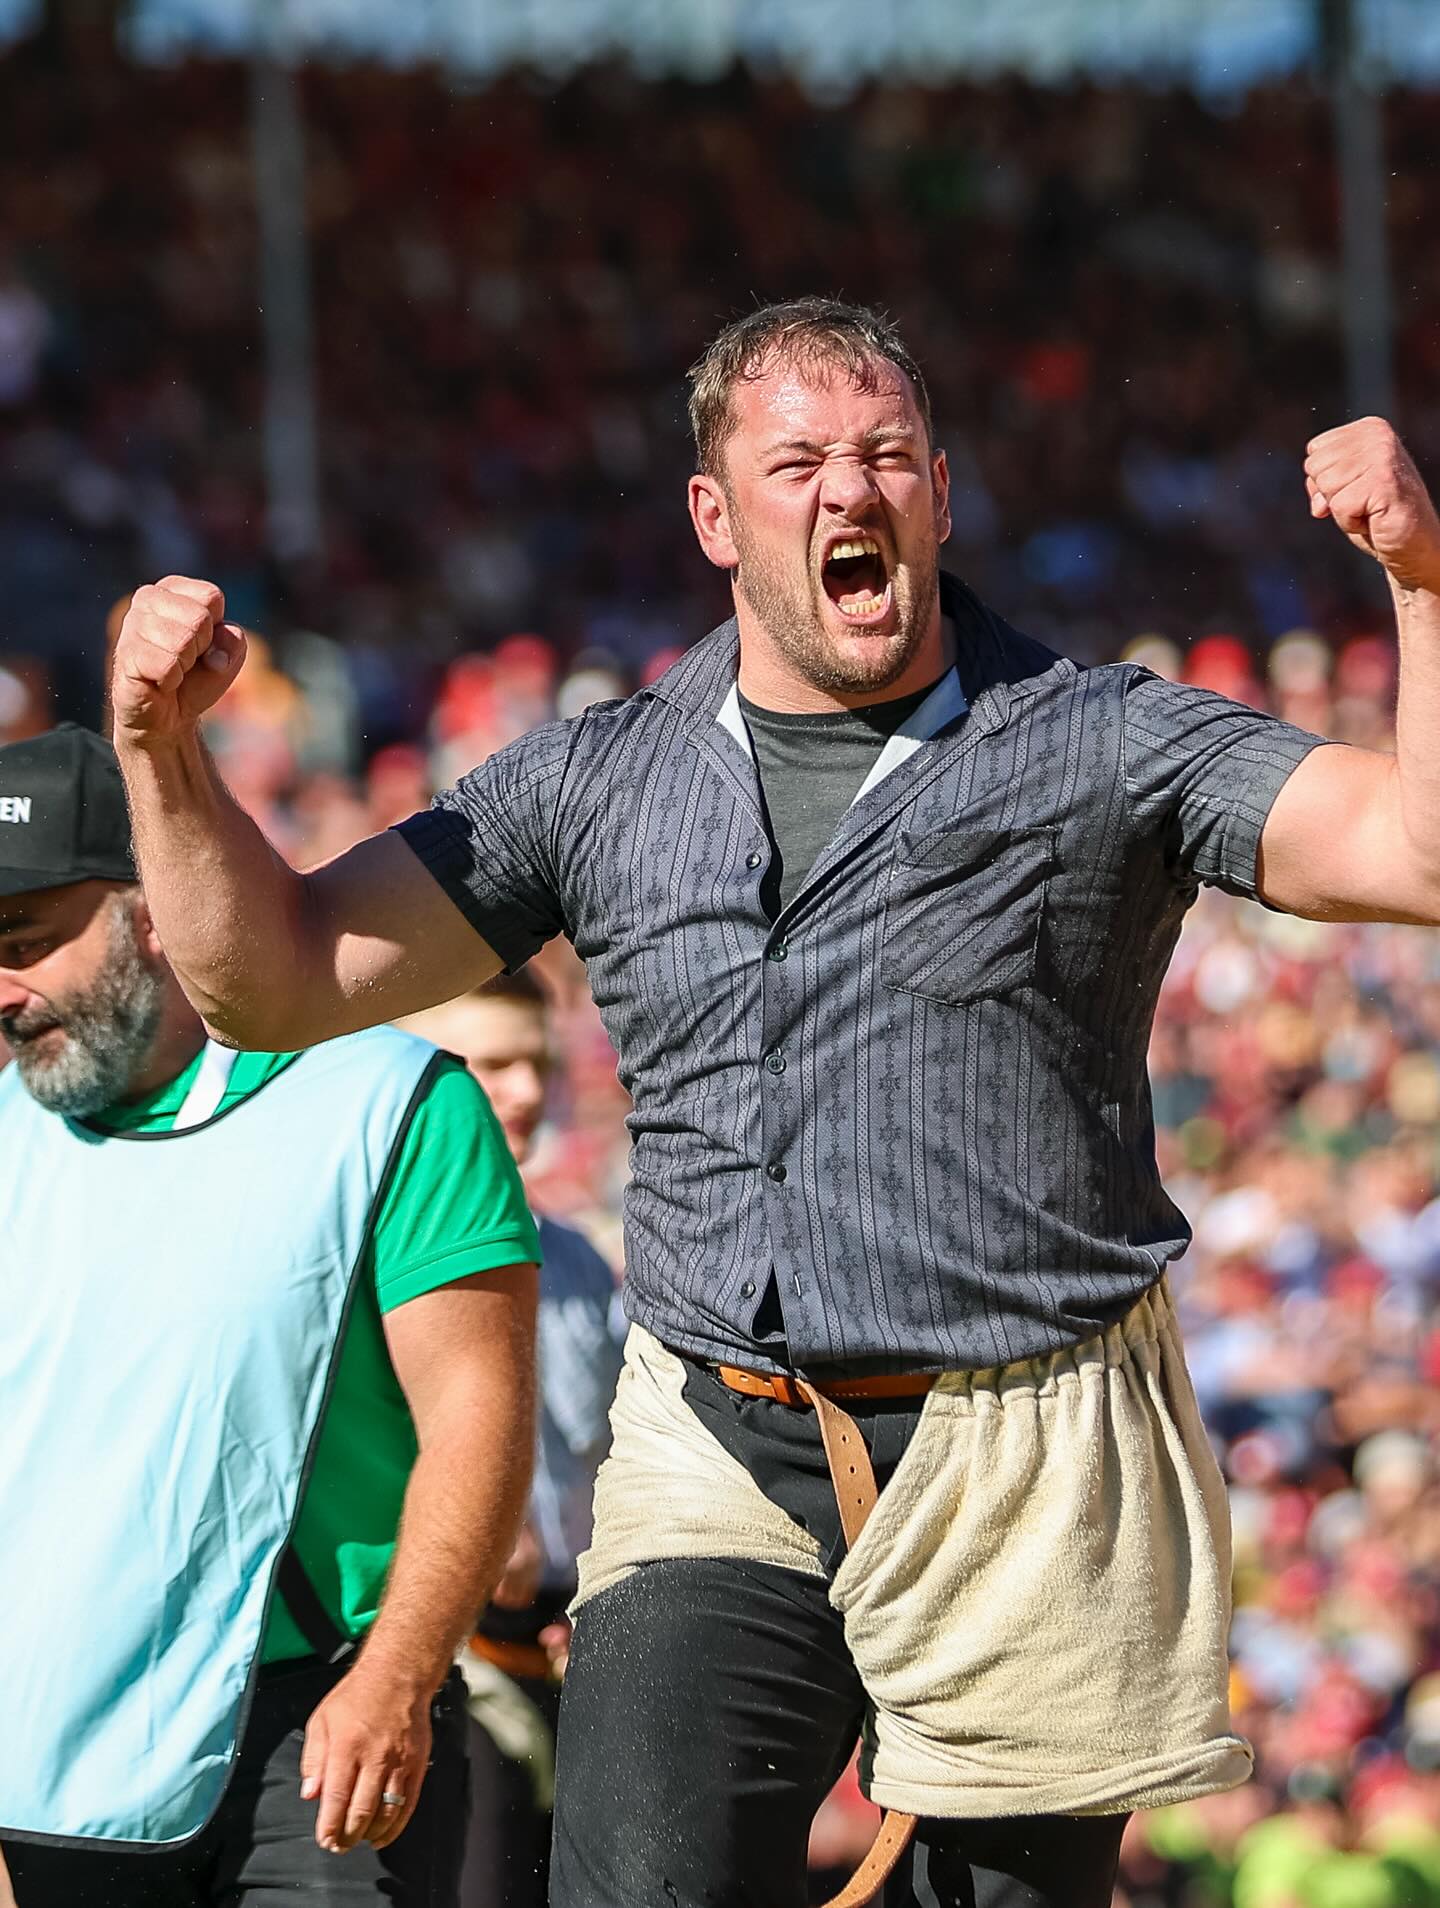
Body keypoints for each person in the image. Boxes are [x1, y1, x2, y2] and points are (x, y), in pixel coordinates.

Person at [104, 296, 1440, 1908]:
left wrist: (1422, 588)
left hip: (1033, 1452)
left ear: (941, 493)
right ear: (716, 517)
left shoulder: (1104, 741)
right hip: (718, 1437)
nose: (847, 491)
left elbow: (1417, 854)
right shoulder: (597, 777)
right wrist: (158, 751)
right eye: (797, 460)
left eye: (884, 455)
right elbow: (280, 975)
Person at [0, 723, 540, 1907]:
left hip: (324, 1733)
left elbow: (479, 1412)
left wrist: (399, 1674)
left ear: (151, 909)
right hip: (59, 1760)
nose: (4, 986)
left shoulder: (395, 1101)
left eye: (29, 942)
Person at [403, 969, 626, 1908]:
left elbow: (620, 1464)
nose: (528, 1090)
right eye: (491, 1065)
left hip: (568, 1655)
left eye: (534, 1063)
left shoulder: (578, 1264)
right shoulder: (363, 1257)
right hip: (439, 1661)